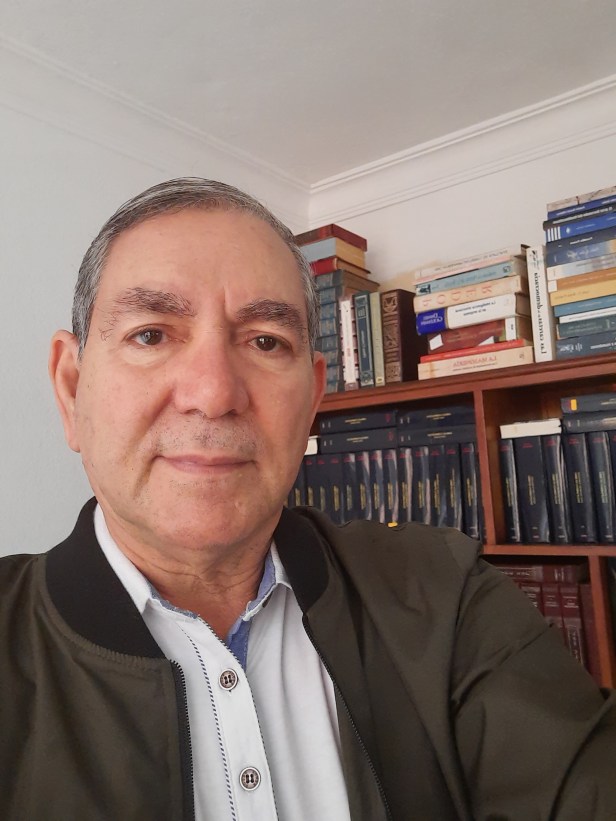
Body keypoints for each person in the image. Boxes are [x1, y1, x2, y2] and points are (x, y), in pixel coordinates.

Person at [1, 178, 614, 821]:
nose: (214, 393)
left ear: (313, 398)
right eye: (151, 334)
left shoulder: (445, 591)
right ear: (71, 388)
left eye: (266, 341)